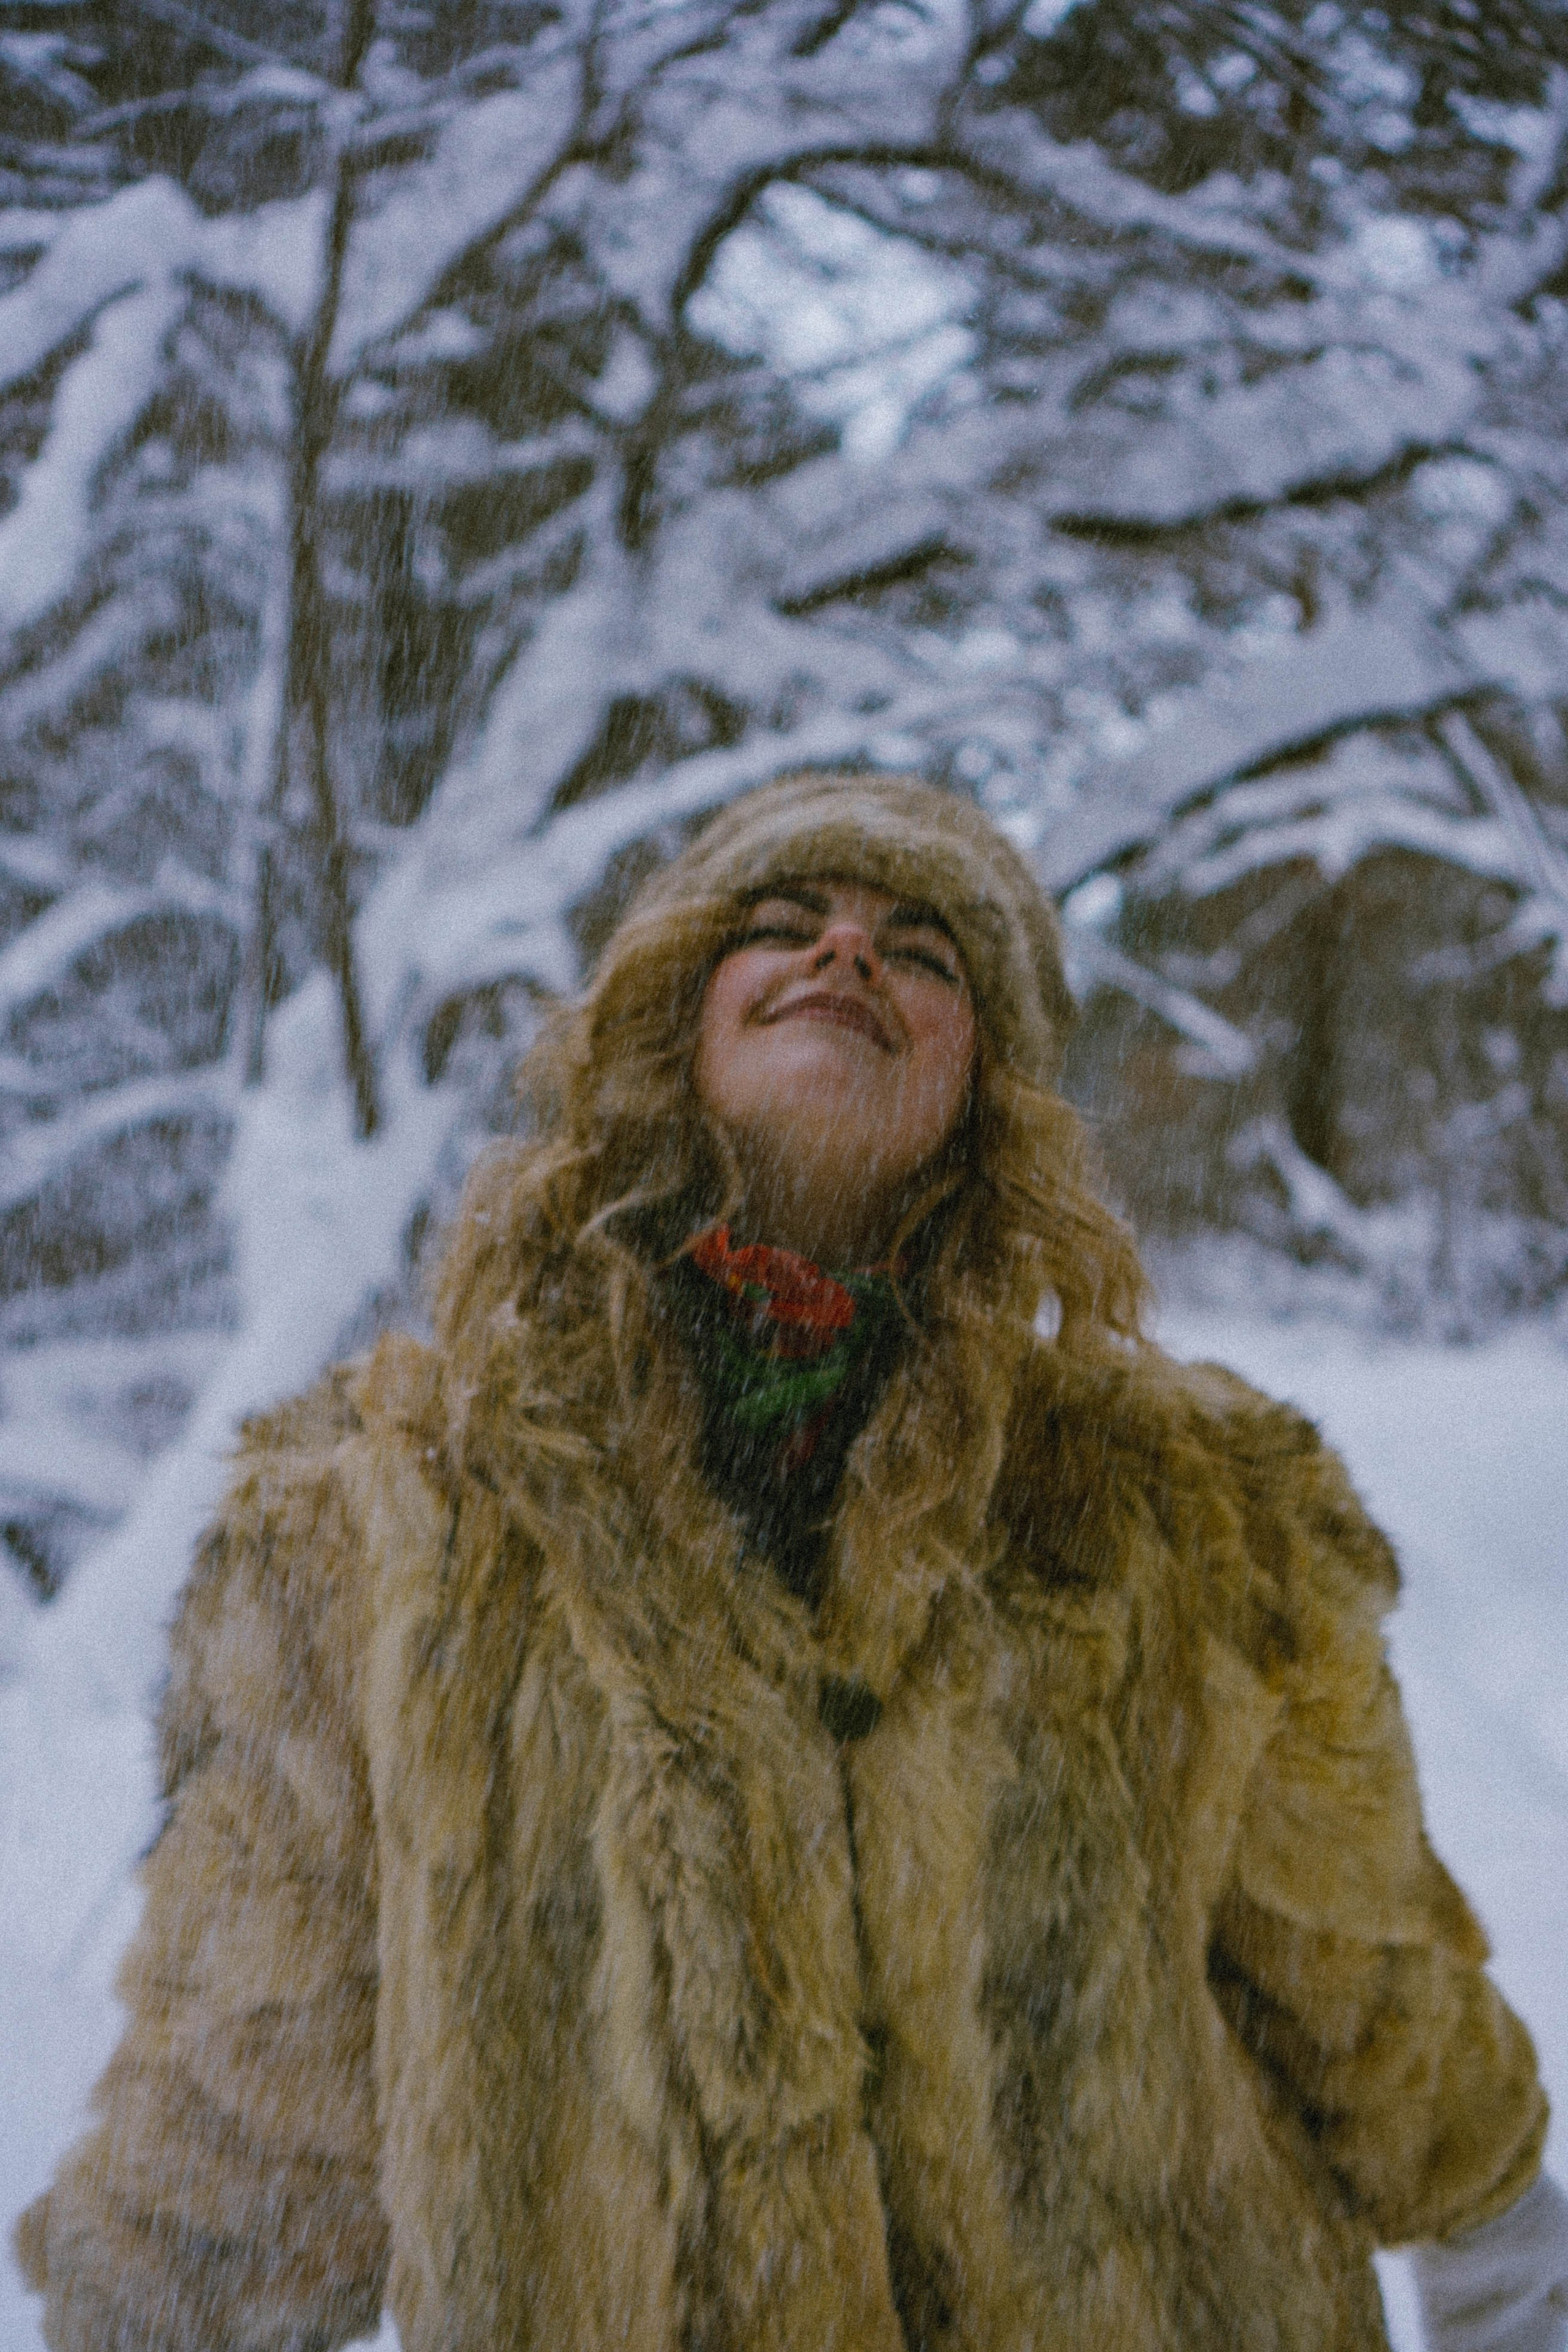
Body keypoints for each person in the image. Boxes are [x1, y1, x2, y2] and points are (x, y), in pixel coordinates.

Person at [15, 771, 1567, 2352]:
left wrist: (1501, 2235)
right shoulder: (382, 1517)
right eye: (782, 925)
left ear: (990, 1094)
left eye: (923, 951)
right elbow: (252, 2074)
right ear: (674, 1021)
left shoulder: (1181, 1503)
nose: (846, 957)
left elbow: (1354, 1951)